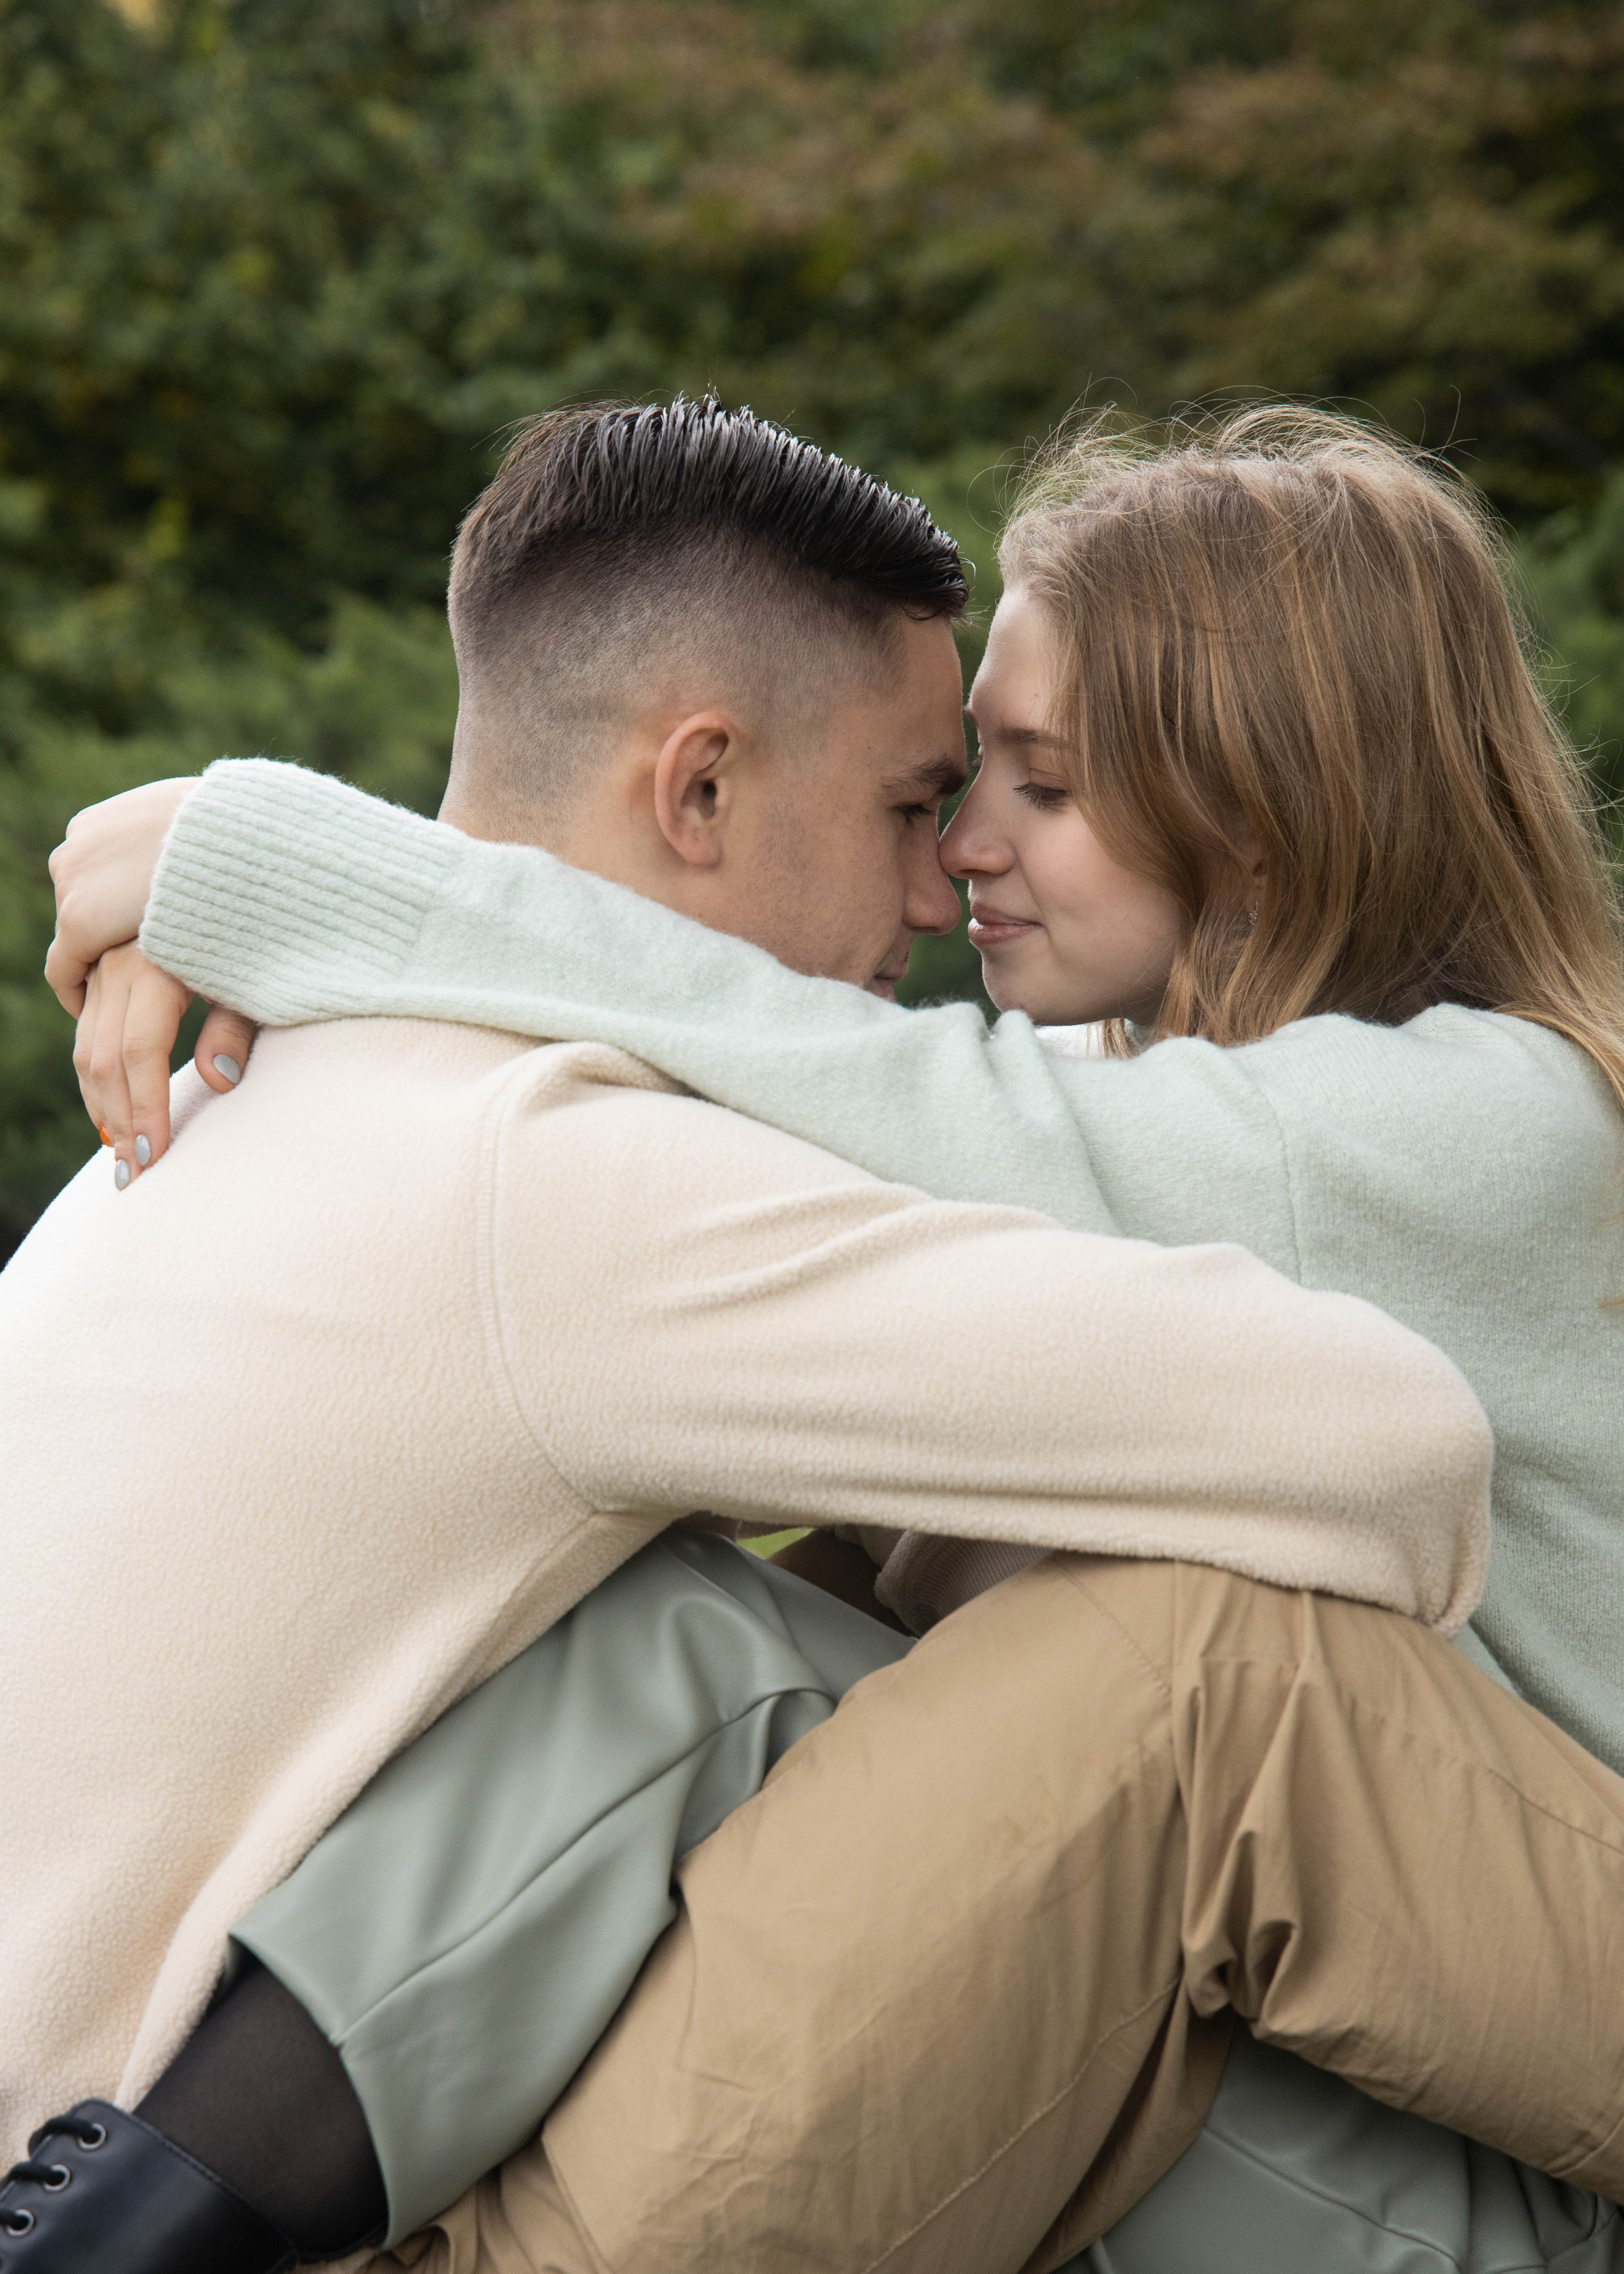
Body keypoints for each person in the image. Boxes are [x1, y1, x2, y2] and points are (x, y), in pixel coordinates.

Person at [27, 403, 1624, 2274]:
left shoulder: (1482, 1120)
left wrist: (316, 877)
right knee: (699, 1641)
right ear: (700, 789)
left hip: (1512, 2090)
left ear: (1264, 816)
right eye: (933, 793)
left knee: (1161, 1663)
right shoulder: (657, 1163)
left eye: (1039, 785)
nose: (959, 858)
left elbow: (908, 1101)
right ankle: (146, 2209)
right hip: (1310, 2026)